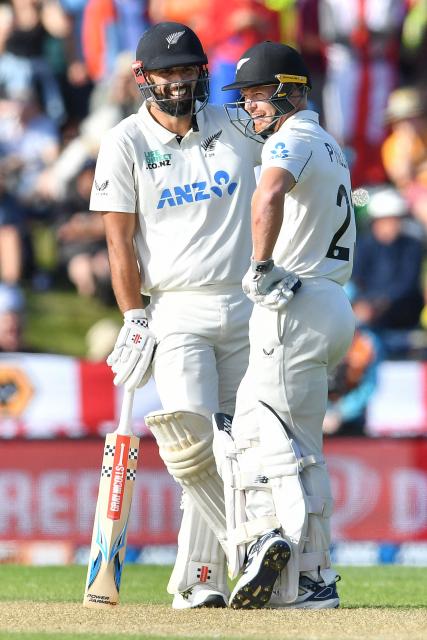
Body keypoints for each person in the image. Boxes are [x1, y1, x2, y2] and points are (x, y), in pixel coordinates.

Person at [89, 22, 261, 609]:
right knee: (192, 439)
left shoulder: (236, 124)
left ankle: (200, 580)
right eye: (167, 73)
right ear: (144, 79)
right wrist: (134, 314)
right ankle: (252, 544)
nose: (179, 82)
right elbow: (119, 241)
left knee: (237, 448)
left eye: (187, 70)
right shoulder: (125, 142)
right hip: (175, 307)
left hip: (246, 301)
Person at [219, 41, 356, 609]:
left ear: (285, 89)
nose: (249, 107)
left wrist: (259, 265)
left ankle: (298, 567)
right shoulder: (327, 141)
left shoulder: (292, 138)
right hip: (328, 302)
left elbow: (268, 193)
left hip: (292, 301)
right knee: (272, 435)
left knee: (275, 442)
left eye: (255, 94)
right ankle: (296, 563)